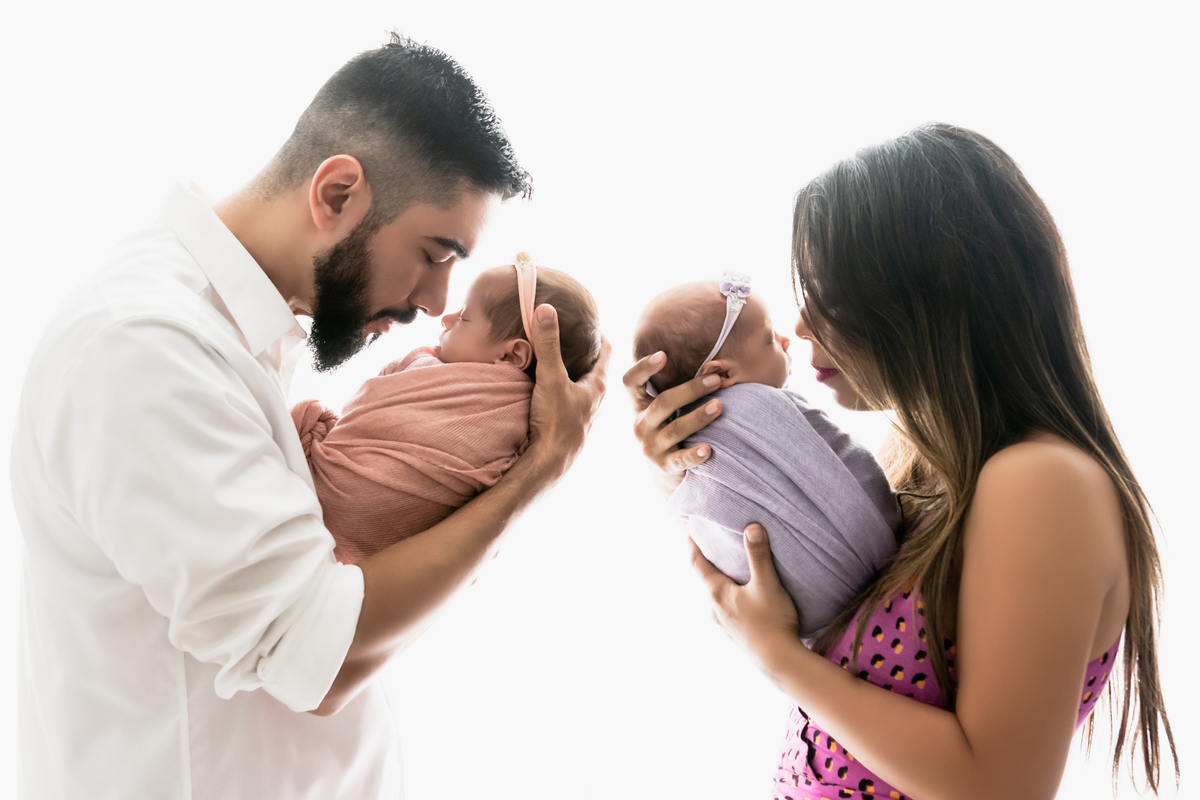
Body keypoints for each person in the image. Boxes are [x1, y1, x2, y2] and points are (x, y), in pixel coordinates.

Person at [11, 35, 608, 800]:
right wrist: (534, 473)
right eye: (434, 253)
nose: (435, 302)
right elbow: (315, 656)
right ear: (336, 194)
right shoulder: (145, 347)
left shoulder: (236, 329)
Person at [623, 124, 1176, 799]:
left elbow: (1000, 787)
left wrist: (778, 658)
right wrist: (687, 461)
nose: (801, 327)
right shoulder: (922, 468)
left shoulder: (1042, 481)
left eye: (829, 296)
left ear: (930, 296)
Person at [632, 274, 899, 638]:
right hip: (873, 559)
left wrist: (773, 648)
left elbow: (710, 528)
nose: (792, 336)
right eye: (770, 339)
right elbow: (846, 460)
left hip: (804, 617)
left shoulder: (689, 443)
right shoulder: (770, 406)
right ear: (721, 373)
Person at [294, 255, 601, 564]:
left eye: (464, 317)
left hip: (326, 497)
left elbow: (365, 402)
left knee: (308, 416)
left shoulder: (439, 374)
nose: (446, 318)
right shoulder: (530, 430)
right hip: (379, 557)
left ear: (512, 356)